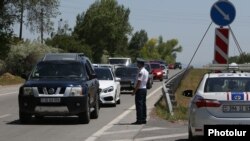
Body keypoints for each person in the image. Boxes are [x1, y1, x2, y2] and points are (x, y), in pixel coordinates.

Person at [131, 58, 149, 125]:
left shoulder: (141, 72)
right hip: (144, 89)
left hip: (140, 90)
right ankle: (143, 119)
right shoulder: (146, 71)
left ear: (141, 64)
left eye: (138, 63)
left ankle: (139, 120)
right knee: (143, 105)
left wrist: (134, 91)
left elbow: (139, 82)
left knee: (139, 105)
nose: (137, 64)